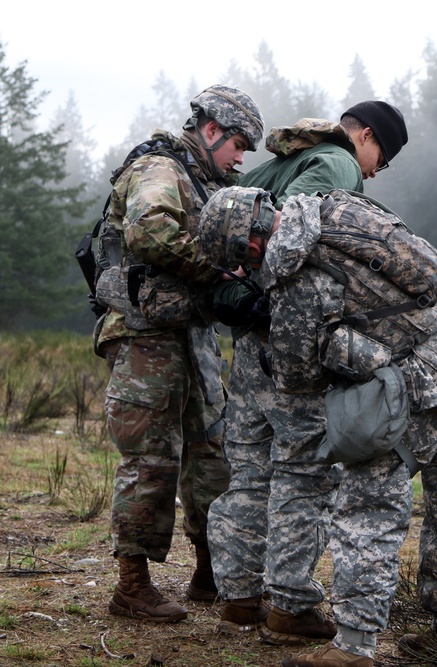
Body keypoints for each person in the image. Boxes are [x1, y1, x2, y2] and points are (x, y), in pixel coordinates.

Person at [198, 185, 437, 667]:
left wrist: (337, 350)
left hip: (417, 388)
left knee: (368, 509)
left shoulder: (296, 278)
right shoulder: (336, 206)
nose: (245, 272)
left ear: (249, 246)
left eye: (240, 261)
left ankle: (356, 647)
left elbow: (297, 379)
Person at [206, 102, 409, 641]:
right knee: (302, 471)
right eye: (381, 160)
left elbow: (233, 235)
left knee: (249, 469)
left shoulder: (274, 165)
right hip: (289, 338)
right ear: (365, 136)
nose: (372, 172)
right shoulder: (339, 163)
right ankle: (290, 606)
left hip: (251, 342)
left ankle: (240, 597)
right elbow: (290, 239)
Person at [93, 84, 264, 622]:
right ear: (210, 131)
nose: (240, 158)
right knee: (150, 458)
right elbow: (149, 232)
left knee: (212, 450)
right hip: (146, 332)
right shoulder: (160, 169)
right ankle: (132, 586)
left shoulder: (204, 179)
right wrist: (219, 274)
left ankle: (211, 573)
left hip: (190, 332)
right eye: (238, 144)